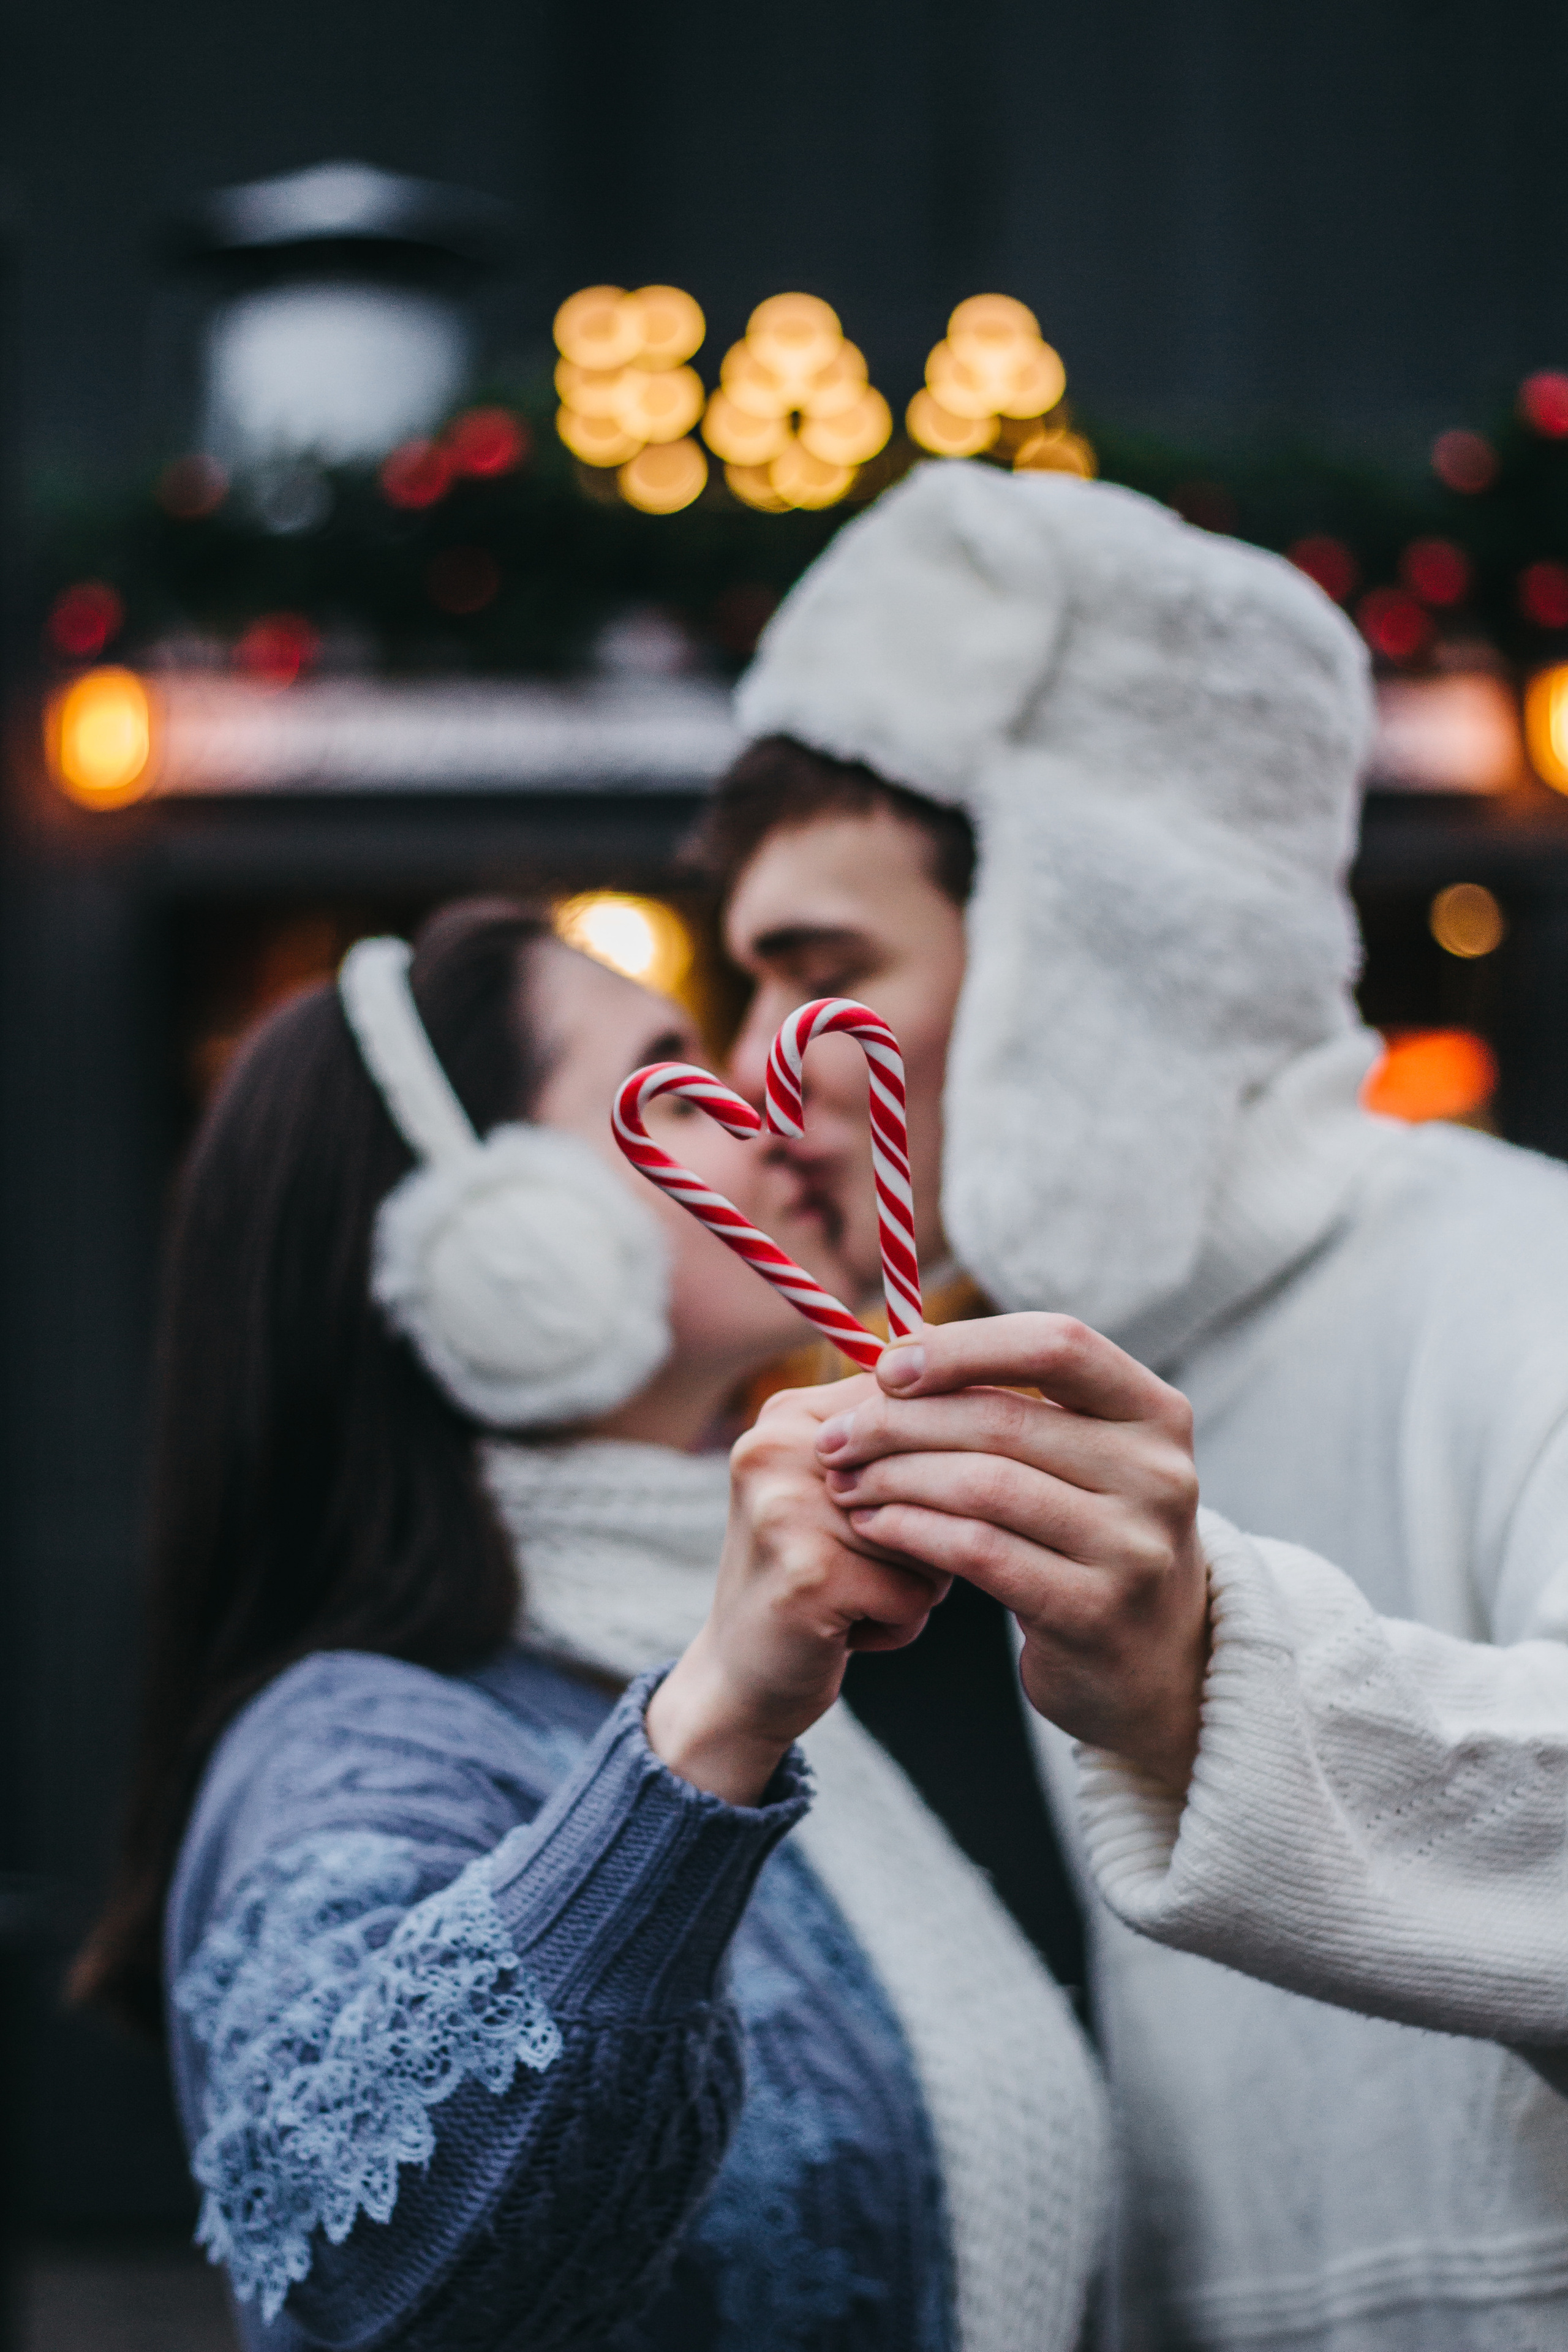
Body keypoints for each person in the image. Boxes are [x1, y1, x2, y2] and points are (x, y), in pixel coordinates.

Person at [700, 461, 1568, 2351]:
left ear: (1081, 973)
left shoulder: (1524, 1285)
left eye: (824, 973)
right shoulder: (995, 1401)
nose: (759, 1078)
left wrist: (1207, 1683)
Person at [74, 896, 1127, 2352]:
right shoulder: (354, 1747)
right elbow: (362, 2282)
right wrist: (706, 1738)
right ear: (504, 1253)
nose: (766, 1114)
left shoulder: (762, 1658)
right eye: (664, 1071)